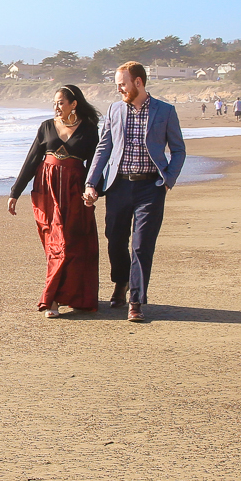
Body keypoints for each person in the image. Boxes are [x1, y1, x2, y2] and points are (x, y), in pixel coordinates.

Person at [82, 61, 187, 322]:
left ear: (138, 82)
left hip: (151, 187)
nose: (118, 89)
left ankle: (136, 301)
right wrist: (91, 183)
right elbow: (103, 148)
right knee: (115, 239)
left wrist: (168, 179)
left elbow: (178, 150)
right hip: (118, 185)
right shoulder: (115, 109)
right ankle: (121, 282)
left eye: (122, 84)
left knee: (142, 245)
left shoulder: (165, 111)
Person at [8, 85, 101, 316]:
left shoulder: (89, 129)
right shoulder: (46, 127)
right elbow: (32, 160)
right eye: (54, 103)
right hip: (47, 190)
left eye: (60, 102)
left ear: (73, 104)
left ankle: (74, 296)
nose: (56, 107)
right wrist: (15, 192)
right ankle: (52, 300)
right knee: (56, 243)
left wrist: (93, 189)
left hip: (75, 190)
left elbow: (96, 163)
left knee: (75, 243)